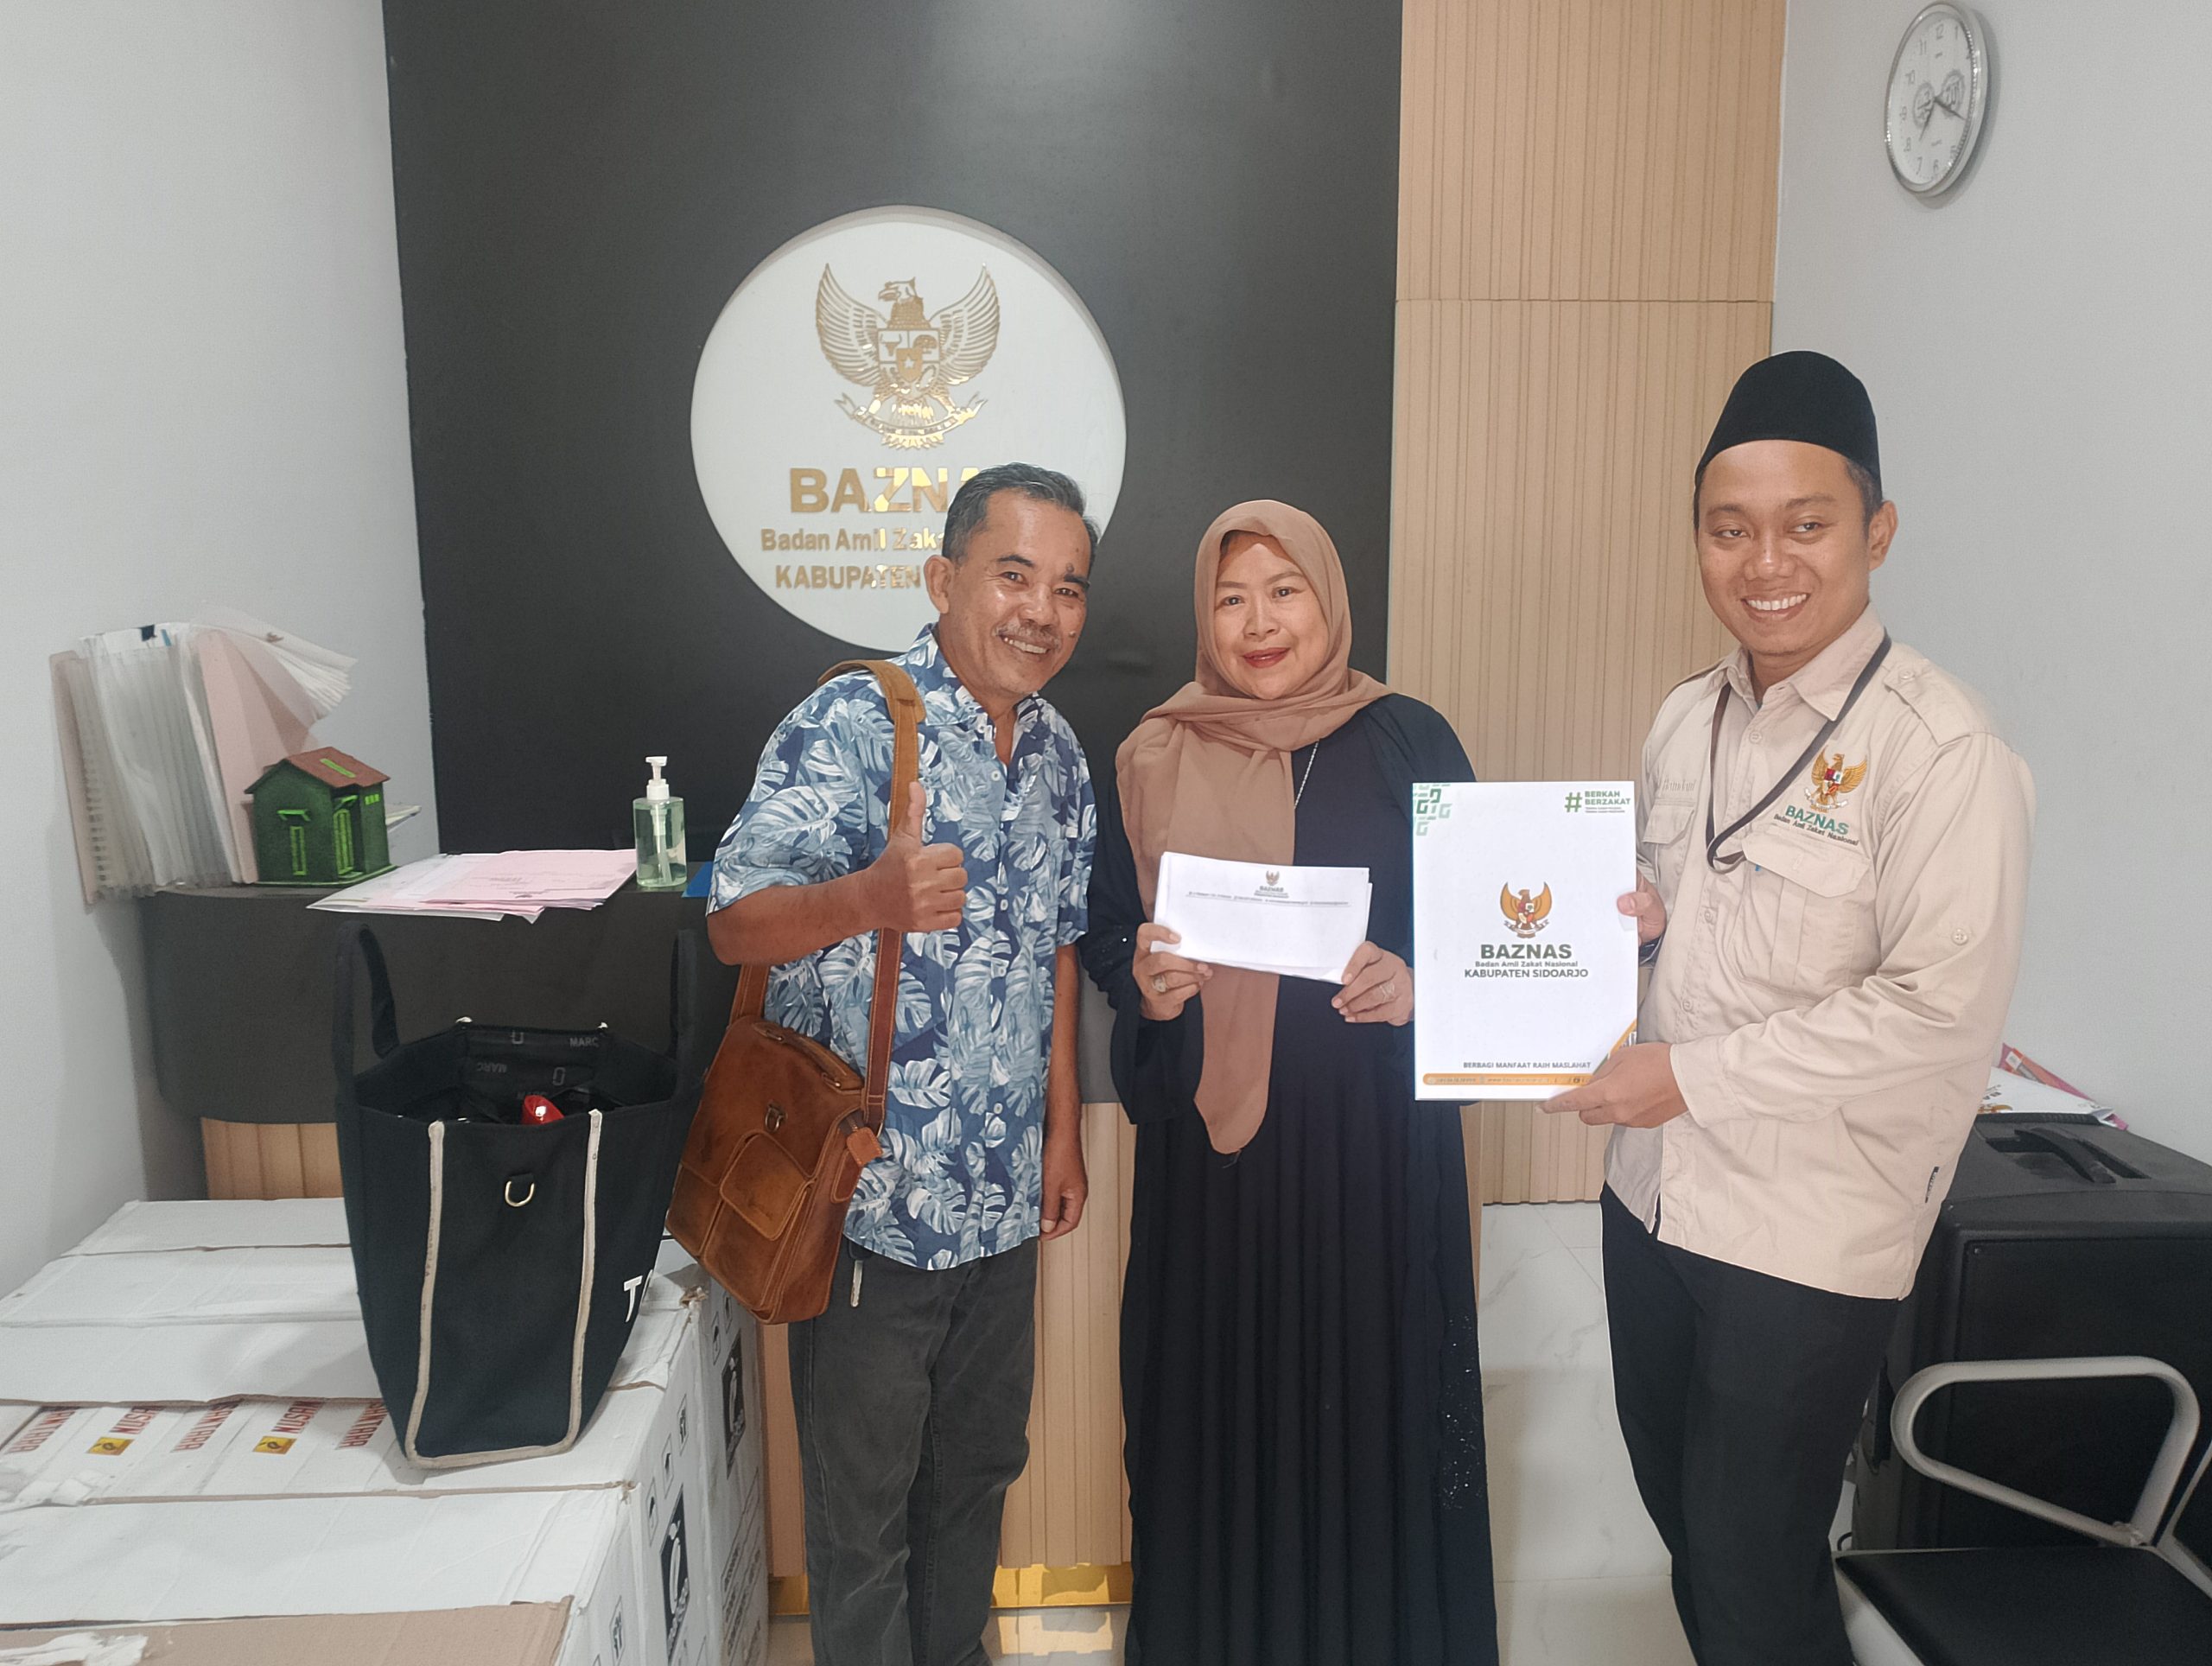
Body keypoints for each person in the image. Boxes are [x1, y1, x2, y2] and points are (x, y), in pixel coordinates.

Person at [1547, 352, 2034, 1665]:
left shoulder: (1942, 750)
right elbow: (1682, 917)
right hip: (1653, 1198)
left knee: (1754, 1566)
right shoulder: (1683, 720)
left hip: (1807, 1234)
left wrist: (1687, 1076)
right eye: (1730, 530)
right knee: (1689, 1533)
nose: (1766, 563)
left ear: (1877, 531)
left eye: (1806, 525)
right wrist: (1639, 931)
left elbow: (1937, 1012)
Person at [1081, 500, 1499, 1666]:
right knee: (1219, 1416)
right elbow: (1109, 932)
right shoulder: (1154, 752)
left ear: (1329, 600)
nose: (1259, 623)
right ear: (1205, 617)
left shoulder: (1411, 741)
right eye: (1232, 599)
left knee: (1371, 1409)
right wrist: (1147, 982)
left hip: (1372, 1162)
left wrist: (1418, 984)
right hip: (1218, 1182)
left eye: (1283, 591)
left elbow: (1489, 937)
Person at [706, 462, 1099, 1666]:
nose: (1042, 611)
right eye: (1014, 575)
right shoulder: (854, 721)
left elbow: (1058, 953)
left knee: (975, 1475)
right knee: (863, 1510)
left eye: (1069, 588)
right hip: (873, 1198)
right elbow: (734, 921)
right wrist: (866, 898)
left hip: (1002, 1205)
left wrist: (1064, 1132)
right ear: (942, 580)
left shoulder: (1061, 755)